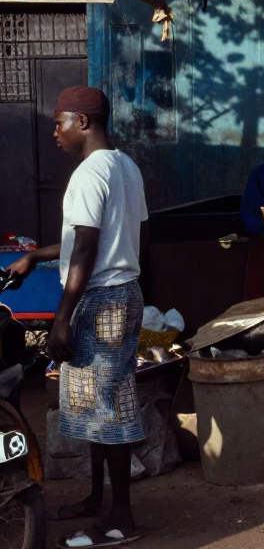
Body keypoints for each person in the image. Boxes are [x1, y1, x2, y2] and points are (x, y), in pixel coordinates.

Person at [6, 86, 148, 547]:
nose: (55, 132)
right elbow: (112, 238)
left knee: (107, 408)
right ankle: (97, 499)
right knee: (99, 407)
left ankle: (120, 519)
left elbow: (87, 249)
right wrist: (36, 256)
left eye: (58, 122)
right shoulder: (125, 166)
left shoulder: (89, 174)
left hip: (100, 299)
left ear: (82, 122)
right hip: (122, 292)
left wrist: (62, 318)